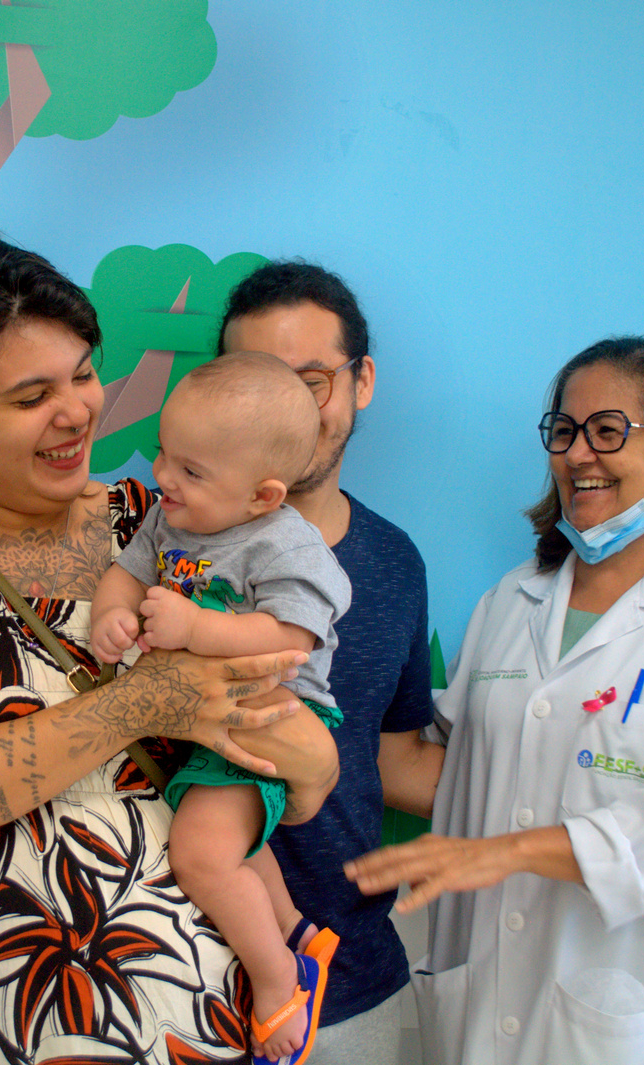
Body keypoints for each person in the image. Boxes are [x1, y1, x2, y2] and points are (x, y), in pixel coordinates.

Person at [0, 205, 338, 1065]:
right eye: (30, 396)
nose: (76, 411)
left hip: (189, 1008)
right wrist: (137, 705)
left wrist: (302, 755)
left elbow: (305, 761)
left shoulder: (170, 518)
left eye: (83, 375)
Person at [345, 337, 644, 1065]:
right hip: (486, 1004)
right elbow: (450, 771)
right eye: (563, 431)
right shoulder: (513, 601)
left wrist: (504, 852)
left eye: (608, 430)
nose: (577, 454)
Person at [91, 352, 351, 1064]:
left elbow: (291, 639)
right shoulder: (169, 519)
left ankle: (277, 981)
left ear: (263, 495)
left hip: (267, 718)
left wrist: (195, 628)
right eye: (164, 455)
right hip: (201, 722)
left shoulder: (285, 542)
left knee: (202, 856)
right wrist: (112, 616)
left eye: (191, 470)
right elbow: (124, 575)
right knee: (235, 844)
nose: (164, 477)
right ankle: (295, 931)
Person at [216, 261, 443, 1065]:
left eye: (310, 381)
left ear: (360, 382)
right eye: (258, 382)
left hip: (347, 983)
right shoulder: (165, 549)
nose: (285, 410)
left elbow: (394, 759)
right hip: (178, 973)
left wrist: (572, 796)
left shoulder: (394, 562)